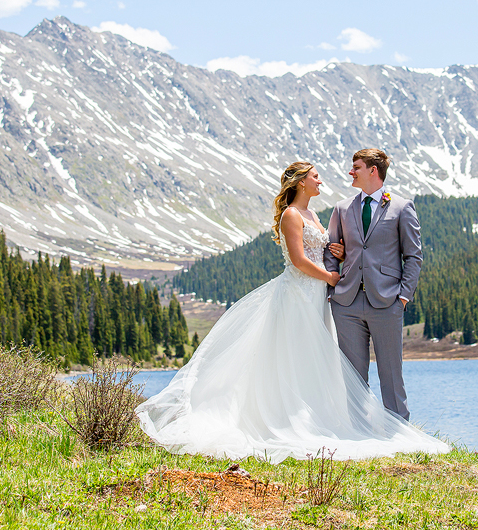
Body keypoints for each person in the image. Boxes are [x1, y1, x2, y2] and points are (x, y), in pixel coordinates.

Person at [135, 161, 448, 463]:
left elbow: (324, 249)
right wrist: (329, 276)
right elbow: (298, 259)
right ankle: (291, 420)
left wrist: (334, 252)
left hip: (317, 298)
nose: (320, 180)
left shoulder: (312, 213)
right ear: (301, 182)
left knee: (316, 361)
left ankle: (326, 418)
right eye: (315, 176)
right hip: (297, 295)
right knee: (293, 358)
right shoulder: (290, 214)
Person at [324, 149, 420, 420]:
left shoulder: (402, 207)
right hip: (347, 303)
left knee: (391, 373)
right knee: (353, 377)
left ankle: (400, 433)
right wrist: (334, 290)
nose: (351, 172)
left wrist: (403, 296)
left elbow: (413, 255)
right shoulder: (342, 208)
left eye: (356, 167)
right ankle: (358, 432)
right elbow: (331, 251)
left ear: (373, 171)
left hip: (387, 302)